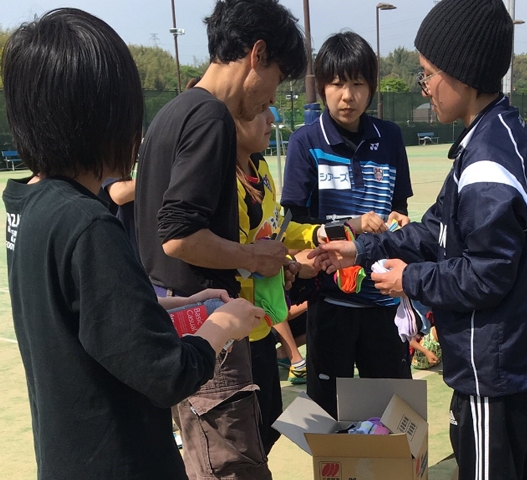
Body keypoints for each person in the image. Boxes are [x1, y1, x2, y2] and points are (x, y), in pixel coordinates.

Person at [309, 1, 527, 478]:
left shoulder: (488, 163)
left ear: (463, 75)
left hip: (498, 371)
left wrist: (412, 280)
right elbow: (436, 230)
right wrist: (360, 248)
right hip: (517, 362)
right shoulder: (494, 135)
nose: (423, 85)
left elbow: (487, 275)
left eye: (429, 73)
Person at [1, 8, 263, 479]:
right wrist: (222, 325)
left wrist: (181, 304)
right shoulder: (88, 225)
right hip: (121, 462)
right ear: (102, 117)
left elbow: (93, 320)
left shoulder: (30, 206)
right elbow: (168, 374)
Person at [134, 1, 306, 478]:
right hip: (205, 327)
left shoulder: (173, 112)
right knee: (233, 466)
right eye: (279, 79)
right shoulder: (211, 117)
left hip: (173, 318)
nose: (272, 100)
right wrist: (254, 256)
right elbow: (179, 235)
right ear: (257, 55)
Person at [280, 31, 413, 419]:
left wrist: (397, 221)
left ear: (371, 88)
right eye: (337, 84)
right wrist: (350, 226)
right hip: (330, 302)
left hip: (384, 299)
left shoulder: (389, 137)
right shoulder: (305, 142)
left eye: (357, 84)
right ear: (322, 86)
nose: (347, 96)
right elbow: (295, 226)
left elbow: (398, 208)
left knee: (392, 413)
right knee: (326, 416)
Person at [234, 108, 320, 453]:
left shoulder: (262, 169)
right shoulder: (219, 183)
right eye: (259, 110)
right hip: (234, 333)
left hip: (262, 326)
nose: (271, 119)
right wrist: (274, 263)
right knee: (242, 443)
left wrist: (320, 234)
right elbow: (232, 255)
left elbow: (276, 227)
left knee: (268, 428)